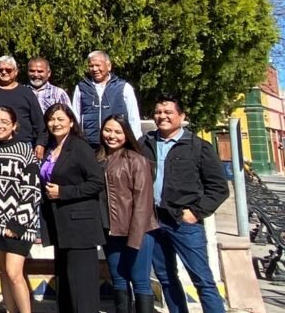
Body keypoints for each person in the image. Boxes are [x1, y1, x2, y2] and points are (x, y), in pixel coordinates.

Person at [139, 95, 228, 313]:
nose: (162, 117)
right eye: (158, 112)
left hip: (184, 223)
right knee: (166, 278)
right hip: (155, 221)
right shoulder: (146, 143)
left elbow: (219, 188)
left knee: (203, 280)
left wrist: (196, 213)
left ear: (181, 115)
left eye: (168, 112)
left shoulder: (198, 147)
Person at [39, 104, 105, 313]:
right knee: (66, 284)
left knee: (82, 288)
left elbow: (97, 182)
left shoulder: (79, 147)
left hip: (80, 227)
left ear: (71, 121)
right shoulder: (51, 147)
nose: (55, 123)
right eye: (51, 119)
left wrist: (64, 192)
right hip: (60, 226)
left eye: (60, 119)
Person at [0, 105, 41, 313]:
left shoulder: (24, 151)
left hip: (18, 224)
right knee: (3, 272)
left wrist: (18, 223)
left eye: (4, 122)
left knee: (14, 273)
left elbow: (31, 190)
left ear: (14, 125)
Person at [99, 115, 158, 313]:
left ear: (127, 134)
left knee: (140, 281)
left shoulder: (137, 160)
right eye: (108, 130)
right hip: (110, 231)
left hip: (137, 231)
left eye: (118, 132)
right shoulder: (98, 159)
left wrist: (135, 238)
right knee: (119, 280)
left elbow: (143, 203)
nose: (111, 136)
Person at [72, 50, 141, 148]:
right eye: (91, 66)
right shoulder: (81, 88)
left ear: (109, 66)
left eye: (98, 65)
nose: (95, 69)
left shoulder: (123, 87)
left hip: (116, 144)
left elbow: (133, 118)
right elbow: (75, 117)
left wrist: (135, 142)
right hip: (89, 144)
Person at [0, 56, 46, 159]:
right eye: (0, 70)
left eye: (8, 70)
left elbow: (39, 122)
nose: (4, 72)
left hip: (23, 146)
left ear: (16, 71)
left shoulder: (26, 93)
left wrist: (41, 144)